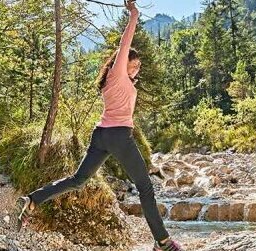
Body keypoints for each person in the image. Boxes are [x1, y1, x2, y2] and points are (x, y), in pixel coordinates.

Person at [14, 1, 183, 250]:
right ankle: (162, 242)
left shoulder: (114, 82)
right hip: (118, 136)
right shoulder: (117, 76)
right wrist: (134, 14)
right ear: (120, 63)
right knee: (146, 188)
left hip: (101, 135)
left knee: (78, 179)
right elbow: (125, 43)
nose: (136, 68)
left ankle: (32, 200)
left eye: (138, 66)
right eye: (132, 64)